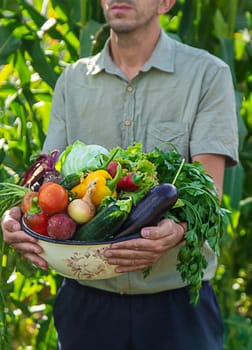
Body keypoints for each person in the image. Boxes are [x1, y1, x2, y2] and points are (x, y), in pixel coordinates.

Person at [1, 0, 239, 349]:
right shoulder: (72, 81)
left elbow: (208, 192)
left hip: (176, 307)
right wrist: (16, 217)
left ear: (167, 2)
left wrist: (177, 230)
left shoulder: (206, 75)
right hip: (86, 305)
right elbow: (45, 182)